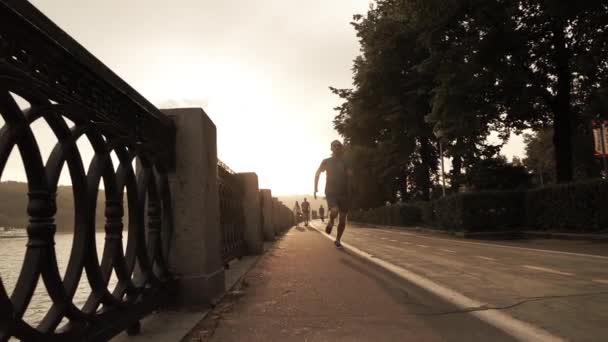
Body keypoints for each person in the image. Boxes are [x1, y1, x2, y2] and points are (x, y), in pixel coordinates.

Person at [314, 140, 352, 248]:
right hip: (331, 192)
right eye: (334, 146)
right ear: (331, 148)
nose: (336, 148)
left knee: (342, 219)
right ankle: (331, 221)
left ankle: (338, 240)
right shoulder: (326, 161)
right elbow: (317, 173)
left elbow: (350, 176)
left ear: (341, 148)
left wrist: (350, 178)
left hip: (344, 193)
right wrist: (315, 188)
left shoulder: (345, 162)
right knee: (334, 211)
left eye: (338, 146)